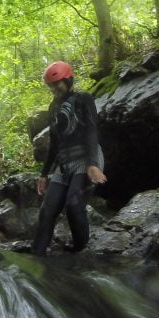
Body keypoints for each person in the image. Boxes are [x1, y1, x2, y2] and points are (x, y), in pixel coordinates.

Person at [32, 61, 106, 256]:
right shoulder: (53, 107)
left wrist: (92, 164)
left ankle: (80, 250)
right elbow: (54, 143)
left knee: (73, 204)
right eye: (51, 86)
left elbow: (91, 130)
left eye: (58, 84)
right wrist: (44, 173)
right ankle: (36, 255)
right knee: (47, 210)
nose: (55, 89)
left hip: (86, 158)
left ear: (68, 80)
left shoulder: (83, 98)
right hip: (64, 164)